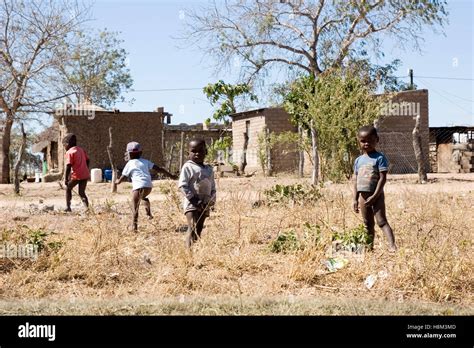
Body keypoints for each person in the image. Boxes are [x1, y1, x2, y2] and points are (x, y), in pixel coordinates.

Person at [352, 125, 397, 252]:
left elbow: (382, 179)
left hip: (376, 196)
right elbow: (355, 180)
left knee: (381, 222)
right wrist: (355, 199)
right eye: (363, 141)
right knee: (367, 224)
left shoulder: (379, 158)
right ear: (358, 141)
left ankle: (392, 246)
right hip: (363, 198)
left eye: (370, 140)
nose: (366, 143)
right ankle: (369, 248)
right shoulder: (358, 160)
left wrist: (375, 196)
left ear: (377, 140)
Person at [116, 141, 176, 231]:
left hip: (138, 187)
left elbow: (123, 176)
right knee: (143, 197)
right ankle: (148, 214)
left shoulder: (129, 163)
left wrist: (118, 182)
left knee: (135, 206)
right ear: (140, 153)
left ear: (128, 154)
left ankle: (134, 227)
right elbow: (159, 169)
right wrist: (170, 175)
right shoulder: (146, 161)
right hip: (148, 186)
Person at [178, 139, 216, 248]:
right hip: (192, 204)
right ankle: (188, 254)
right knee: (193, 226)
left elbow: (212, 187)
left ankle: (194, 249)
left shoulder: (209, 169)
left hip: (204, 204)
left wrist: (211, 201)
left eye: (201, 150)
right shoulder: (188, 167)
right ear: (188, 153)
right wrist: (194, 200)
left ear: (206, 152)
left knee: (199, 228)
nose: (197, 153)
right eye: (194, 151)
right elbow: (182, 185)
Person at [63, 133, 90, 212]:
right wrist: (85, 168)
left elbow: (68, 166)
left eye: (64, 145)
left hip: (77, 175)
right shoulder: (81, 150)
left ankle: (68, 207)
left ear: (68, 144)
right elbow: (88, 160)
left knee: (68, 188)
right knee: (81, 192)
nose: (64, 147)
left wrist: (66, 179)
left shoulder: (70, 152)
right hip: (85, 174)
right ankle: (87, 208)